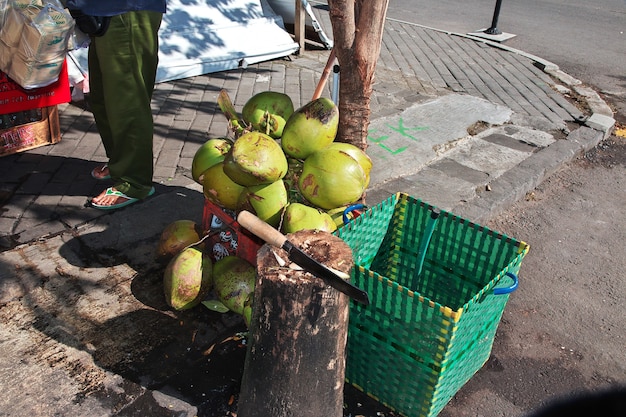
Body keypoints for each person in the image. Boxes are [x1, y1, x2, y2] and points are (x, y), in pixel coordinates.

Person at [65, 0, 166, 210]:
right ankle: (122, 163)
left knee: (126, 101)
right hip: (103, 8)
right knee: (104, 97)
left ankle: (135, 182)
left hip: (125, 8)